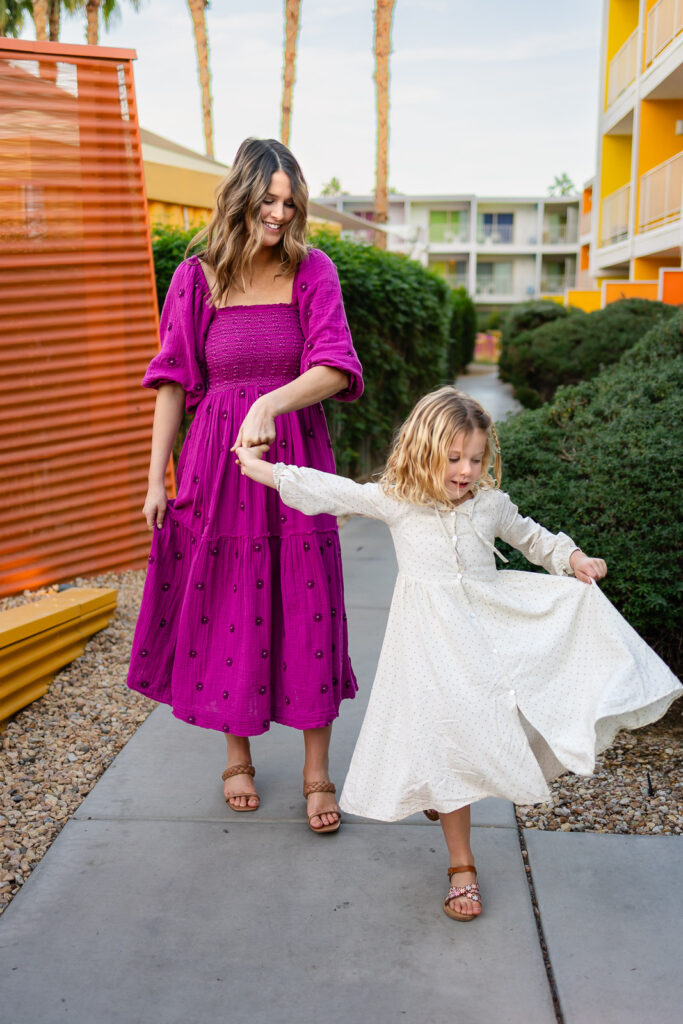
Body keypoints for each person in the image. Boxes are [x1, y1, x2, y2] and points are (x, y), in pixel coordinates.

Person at [236, 385, 681, 919]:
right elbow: (329, 490)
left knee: (486, 733)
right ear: (425, 451)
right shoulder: (398, 501)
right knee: (448, 743)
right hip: (426, 648)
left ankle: (448, 786)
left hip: (489, 637)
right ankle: (461, 866)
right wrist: (254, 465)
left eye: (475, 458)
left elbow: (532, 538)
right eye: (453, 458)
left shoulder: (490, 505)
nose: (466, 470)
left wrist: (573, 558)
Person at [127, 138, 364, 834]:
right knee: (227, 601)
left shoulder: (312, 270)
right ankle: (238, 754)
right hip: (215, 467)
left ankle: (317, 772)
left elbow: (335, 367)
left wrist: (268, 404)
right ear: (241, 198)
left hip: (293, 466)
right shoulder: (195, 278)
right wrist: (154, 481)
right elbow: (172, 382)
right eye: (269, 201)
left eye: (291, 204)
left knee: (308, 603)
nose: (280, 215)